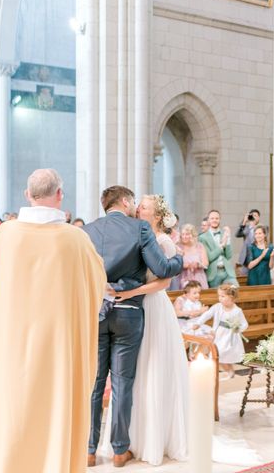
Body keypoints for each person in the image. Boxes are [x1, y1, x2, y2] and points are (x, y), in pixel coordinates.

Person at [0, 169, 106, 473]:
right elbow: (97, 284)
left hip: (14, 345)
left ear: (28, 195)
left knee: (16, 409)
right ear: (60, 195)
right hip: (58, 350)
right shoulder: (76, 239)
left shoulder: (6, 234)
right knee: (55, 408)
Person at [83, 187, 183, 468]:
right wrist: (179, 261)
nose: (136, 206)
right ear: (126, 202)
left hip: (97, 313)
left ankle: (89, 450)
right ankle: (118, 451)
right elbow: (162, 269)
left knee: (95, 383)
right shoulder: (139, 228)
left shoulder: (88, 230)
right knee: (123, 383)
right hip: (128, 313)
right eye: (133, 202)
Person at [194, 284, 248, 379]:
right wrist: (198, 323)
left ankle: (230, 371)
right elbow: (207, 315)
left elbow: (245, 324)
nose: (220, 298)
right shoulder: (217, 307)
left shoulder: (237, 311)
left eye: (222, 296)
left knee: (225, 356)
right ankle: (228, 371)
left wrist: (237, 329)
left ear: (231, 297)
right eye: (219, 296)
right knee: (218, 354)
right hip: (218, 335)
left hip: (230, 337)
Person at [199, 210, 238, 288]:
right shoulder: (202, 237)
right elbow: (209, 257)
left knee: (236, 291)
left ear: (220, 220)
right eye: (212, 218)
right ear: (208, 220)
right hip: (213, 273)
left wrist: (228, 238)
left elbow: (228, 256)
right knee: (217, 297)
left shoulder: (224, 234)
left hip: (227, 271)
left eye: (217, 218)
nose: (214, 220)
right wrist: (221, 246)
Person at [177, 223, 208, 289]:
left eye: (187, 234)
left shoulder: (200, 246)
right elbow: (174, 264)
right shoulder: (178, 247)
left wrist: (197, 264)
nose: (184, 236)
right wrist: (186, 265)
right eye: (183, 234)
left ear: (193, 235)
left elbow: (206, 263)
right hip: (182, 278)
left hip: (198, 277)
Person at [236, 209, 260, 273]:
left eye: (255, 215)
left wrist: (254, 226)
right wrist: (244, 222)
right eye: (252, 215)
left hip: (257, 257)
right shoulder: (246, 228)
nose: (253, 217)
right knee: (244, 279)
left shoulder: (262, 228)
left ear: (258, 218)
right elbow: (237, 235)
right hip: (246, 259)